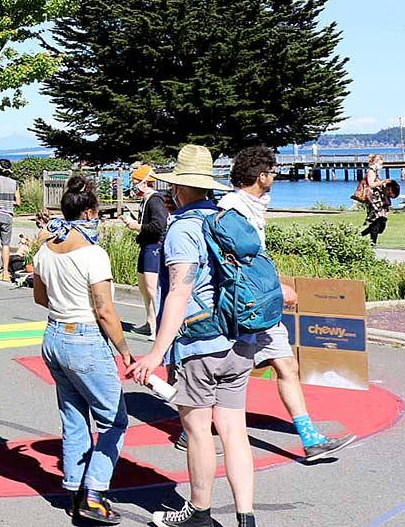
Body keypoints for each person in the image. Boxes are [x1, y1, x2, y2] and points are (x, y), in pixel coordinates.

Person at [126, 144, 258, 527]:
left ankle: (199, 512)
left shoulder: (183, 228)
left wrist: (156, 352)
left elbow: (180, 292)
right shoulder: (229, 219)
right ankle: (245, 517)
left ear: (179, 188)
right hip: (239, 339)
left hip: (201, 343)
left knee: (198, 429)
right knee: (234, 430)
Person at [202, 145, 355, 461]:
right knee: (228, 371)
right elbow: (239, 263)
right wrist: (276, 288)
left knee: (286, 364)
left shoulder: (250, 206)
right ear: (261, 177)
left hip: (261, 305)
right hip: (244, 307)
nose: (275, 177)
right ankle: (195, 429)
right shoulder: (234, 210)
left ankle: (310, 438)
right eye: (272, 173)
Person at [32, 176, 132, 525]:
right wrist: (124, 351)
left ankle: (75, 487)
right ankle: (94, 490)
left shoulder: (45, 250)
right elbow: (104, 309)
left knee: (74, 417)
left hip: (54, 334)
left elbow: (40, 297)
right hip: (85, 337)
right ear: (89, 212)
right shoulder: (93, 254)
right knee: (114, 421)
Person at [122, 165, 166, 338]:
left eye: (135, 182)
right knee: (143, 287)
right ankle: (150, 322)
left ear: (144, 183)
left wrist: (137, 226)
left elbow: (158, 226)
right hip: (145, 245)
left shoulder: (155, 200)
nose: (134, 185)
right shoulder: (145, 200)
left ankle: (159, 325)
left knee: (152, 288)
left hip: (154, 247)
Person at [357, 154, 390, 244]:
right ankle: (372, 243)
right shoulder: (371, 171)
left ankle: (359, 235)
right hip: (373, 200)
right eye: (380, 162)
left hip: (378, 200)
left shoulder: (376, 172)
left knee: (380, 222)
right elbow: (371, 184)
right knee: (377, 222)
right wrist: (382, 182)